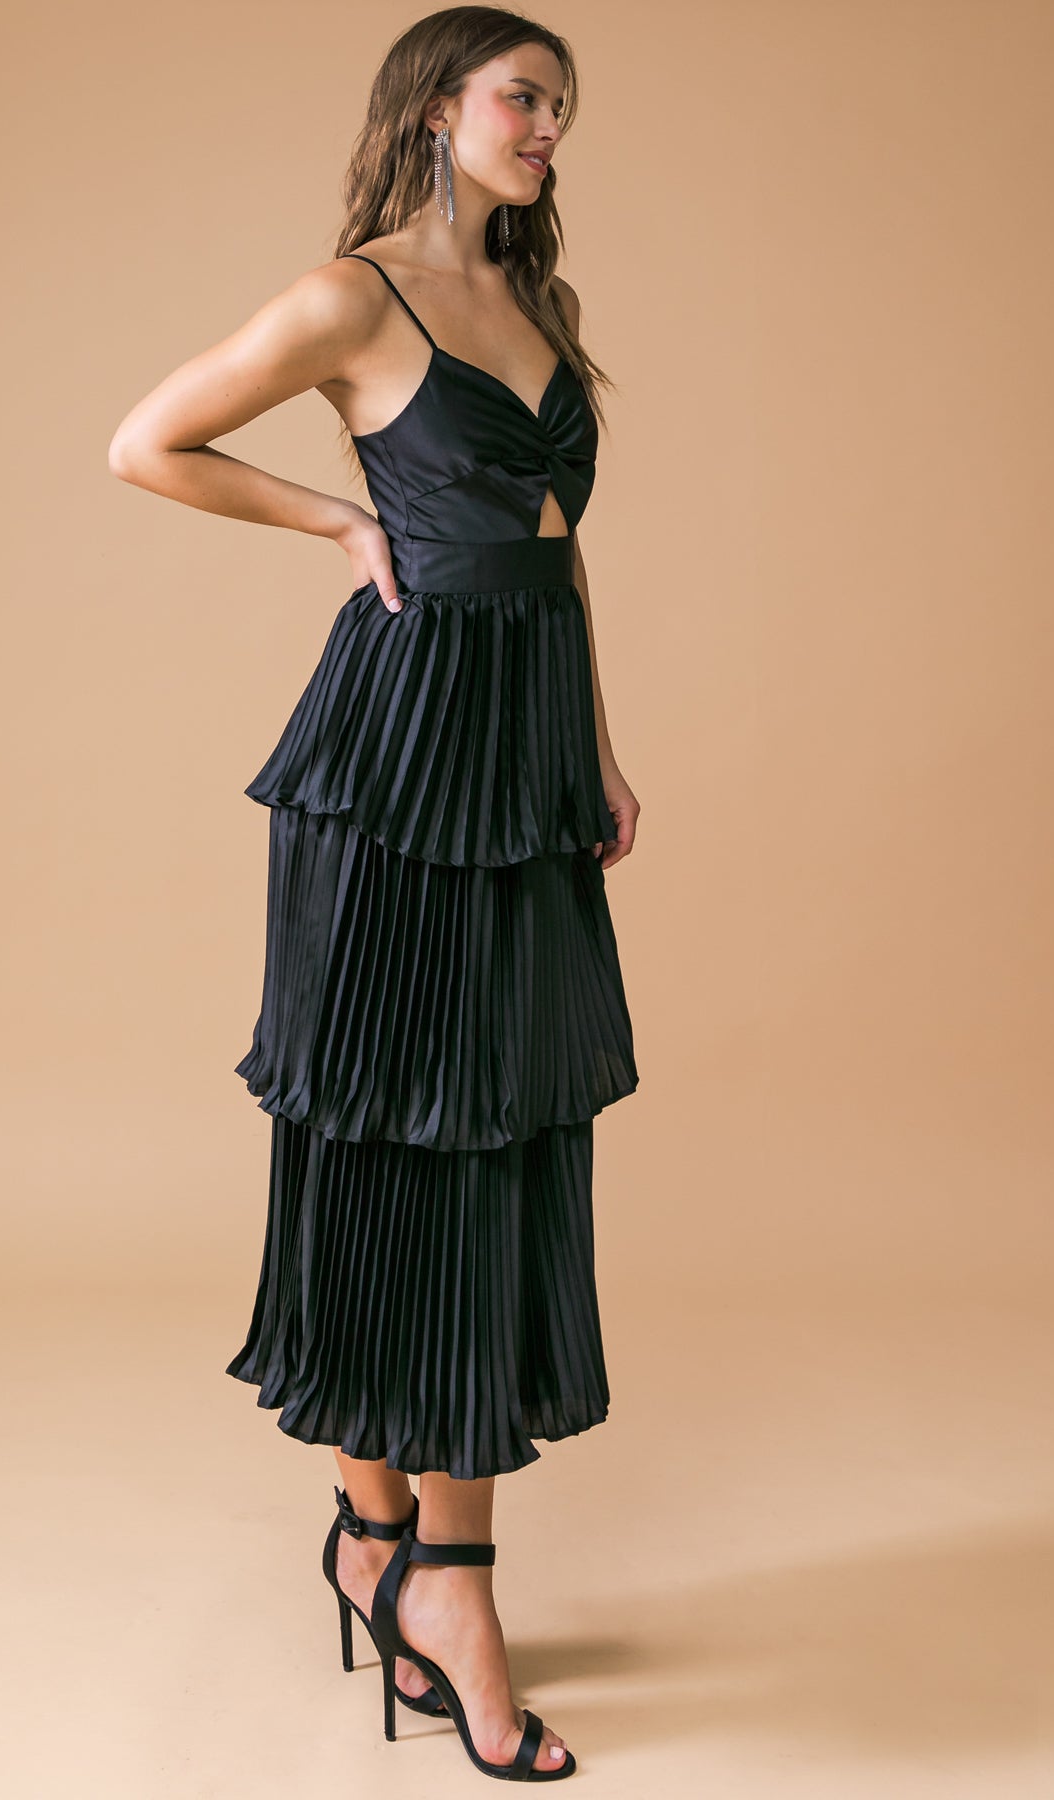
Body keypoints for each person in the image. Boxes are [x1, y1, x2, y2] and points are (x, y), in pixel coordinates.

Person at [109, 6, 639, 1780]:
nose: (546, 125)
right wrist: (335, 526)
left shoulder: (539, 311)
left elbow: (550, 566)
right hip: (395, 774)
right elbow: (149, 442)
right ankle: (395, 1545)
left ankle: (439, 1564)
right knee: (375, 1132)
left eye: (559, 105)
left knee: (498, 1141)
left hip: (526, 767)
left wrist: (601, 752)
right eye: (521, 95)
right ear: (433, 108)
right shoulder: (355, 298)